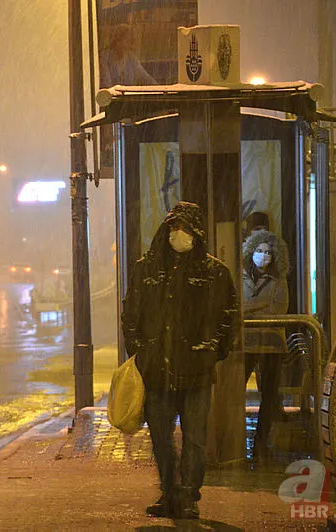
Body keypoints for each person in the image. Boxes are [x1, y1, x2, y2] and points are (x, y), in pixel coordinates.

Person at [121, 201, 238, 520]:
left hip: (196, 371)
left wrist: (212, 351)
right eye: (174, 227)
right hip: (157, 370)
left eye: (185, 228)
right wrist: (140, 350)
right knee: (160, 438)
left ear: (196, 233)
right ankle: (171, 493)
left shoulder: (214, 272)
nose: (179, 234)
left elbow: (229, 317)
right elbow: (131, 313)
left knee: (195, 439)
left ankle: (187, 495)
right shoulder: (147, 268)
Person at [241, 229, 289, 461]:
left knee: (269, 395)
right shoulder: (241, 276)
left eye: (268, 252)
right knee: (235, 390)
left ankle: (261, 443)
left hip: (272, 343)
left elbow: (278, 309)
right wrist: (260, 306)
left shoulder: (280, 279)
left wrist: (250, 308)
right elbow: (238, 306)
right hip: (247, 342)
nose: (263, 255)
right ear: (251, 251)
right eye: (259, 250)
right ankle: (235, 439)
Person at [99, 24, 156, 88]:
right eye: (127, 42)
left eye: (131, 42)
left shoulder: (132, 59)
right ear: (117, 41)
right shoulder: (105, 57)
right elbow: (106, 84)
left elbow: (146, 78)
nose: (130, 46)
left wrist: (158, 88)